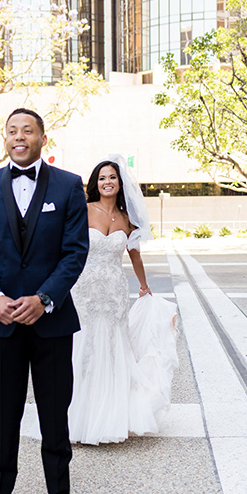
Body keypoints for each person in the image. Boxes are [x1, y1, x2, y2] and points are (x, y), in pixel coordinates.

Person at [0, 108, 89, 494]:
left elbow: (75, 252)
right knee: (4, 412)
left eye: (28, 130)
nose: (20, 137)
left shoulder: (70, 186)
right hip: (0, 325)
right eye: (13, 131)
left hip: (51, 323)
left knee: (55, 413)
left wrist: (45, 298)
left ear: (42, 138)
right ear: (5, 138)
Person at [68, 156, 179, 445]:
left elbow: (134, 254)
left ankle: (113, 415)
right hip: (84, 290)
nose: (107, 182)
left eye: (112, 178)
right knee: (85, 345)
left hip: (115, 292)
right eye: (102, 178)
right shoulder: (83, 210)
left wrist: (144, 286)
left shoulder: (126, 219)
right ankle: (76, 417)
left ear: (120, 184)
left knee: (115, 347)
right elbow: (67, 248)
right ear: (96, 183)